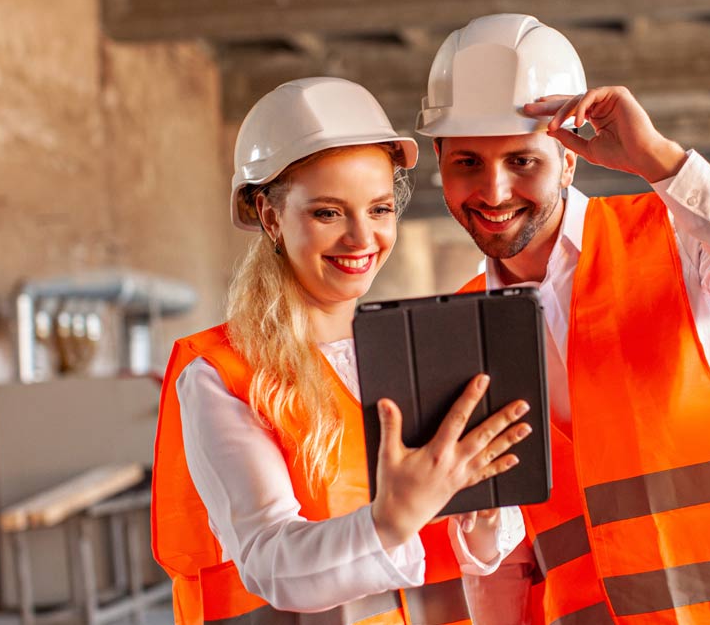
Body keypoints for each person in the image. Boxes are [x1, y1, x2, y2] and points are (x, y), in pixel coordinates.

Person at [417, 15, 710, 624]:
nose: (493, 190)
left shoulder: (677, 240)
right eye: (466, 163)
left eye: (522, 160)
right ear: (439, 161)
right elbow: (507, 560)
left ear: (568, 159)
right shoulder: (458, 328)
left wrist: (665, 164)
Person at [151, 77, 533, 624]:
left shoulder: (411, 349)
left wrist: (484, 510)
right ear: (270, 216)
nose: (361, 238)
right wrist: (390, 521)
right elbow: (267, 562)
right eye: (328, 213)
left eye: (379, 209)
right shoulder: (222, 373)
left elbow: (461, 553)